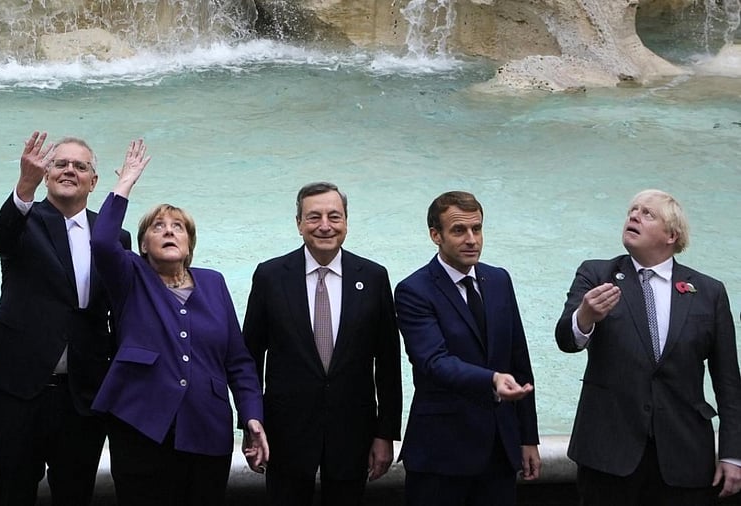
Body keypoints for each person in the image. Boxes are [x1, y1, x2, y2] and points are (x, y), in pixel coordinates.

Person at [90, 138, 268, 505]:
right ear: (142, 246)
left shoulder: (214, 282)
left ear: (190, 243)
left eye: (178, 227)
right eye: (158, 226)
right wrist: (124, 185)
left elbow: (238, 361)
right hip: (141, 426)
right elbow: (103, 242)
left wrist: (252, 417)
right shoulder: (131, 276)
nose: (169, 231)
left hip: (206, 427)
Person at [555, 189, 741, 505]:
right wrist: (585, 316)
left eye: (647, 213)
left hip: (684, 456)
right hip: (608, 455)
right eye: (632, 210)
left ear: (671, 235)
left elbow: (728, 381)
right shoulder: (596, 274)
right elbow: (566, 340)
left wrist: (733, 455)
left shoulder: (709, 292)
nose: (634, 216)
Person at [0, 132, 131, 505]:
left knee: (76, 491)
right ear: (46, 174)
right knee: (11, 490)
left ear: (93, 181)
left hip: (83, 393)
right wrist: (24, 186)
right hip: (19, 390)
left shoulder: (115, 236)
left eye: (79, 166)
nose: (69, 170)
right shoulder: (23, 220)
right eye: (60, 164)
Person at [242, 181, 402, 506]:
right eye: (314, 217)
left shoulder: (373, 277)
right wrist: (249, 423)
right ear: (299, 223)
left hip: (352, 433)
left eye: (334, 216)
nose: (325, 226)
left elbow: (388, 362)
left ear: (346, 222)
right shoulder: (270, 276)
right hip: (285, 434)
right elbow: (249, 358)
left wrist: (385, 434)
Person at [395, 190, 541, 506]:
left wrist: (528, 438)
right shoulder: (413, 291)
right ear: (436, 235)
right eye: (459, 230)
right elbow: (433, 361)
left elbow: (519, 358)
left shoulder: (499, 279)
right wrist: (491, 380)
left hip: (499, 450)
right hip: (441, 453)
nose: (471, 239)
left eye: (477, 228)